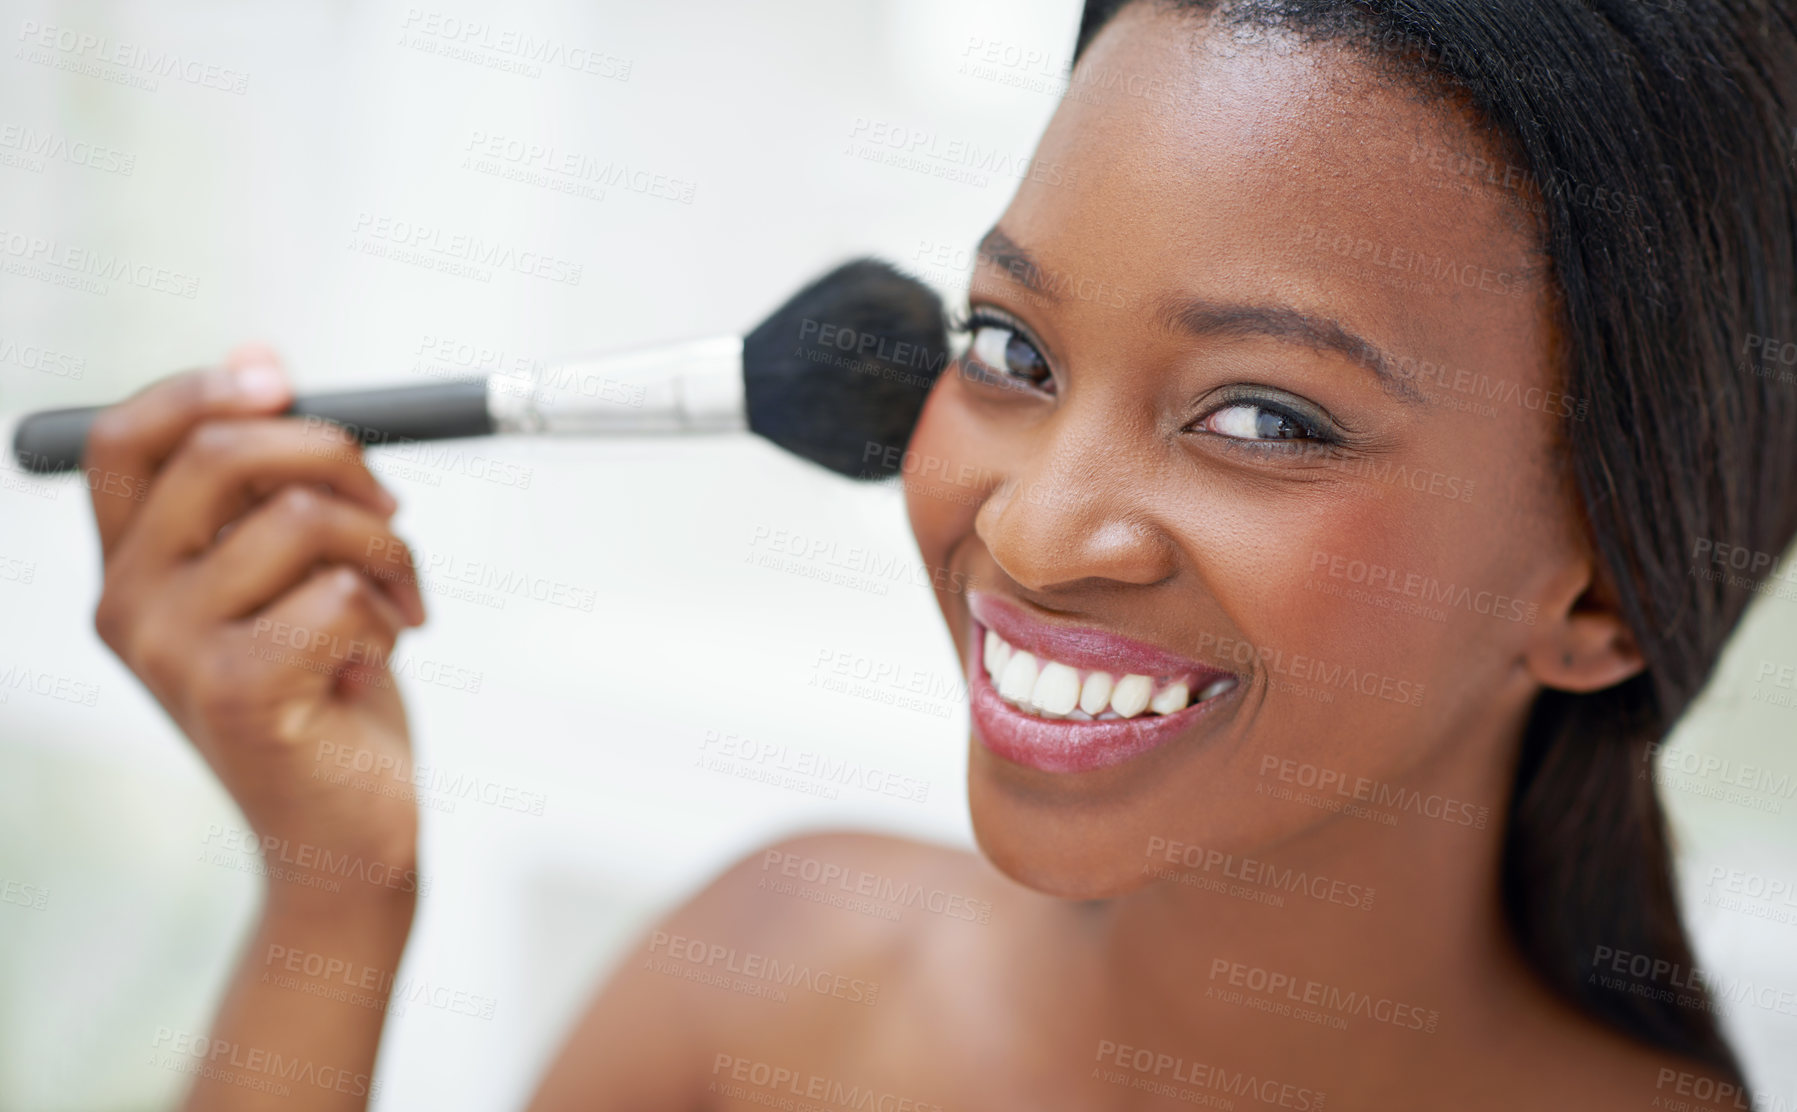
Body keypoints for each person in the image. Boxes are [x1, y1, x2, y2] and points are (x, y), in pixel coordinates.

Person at [85, 0, 1795, 1107]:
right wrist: (332, 893)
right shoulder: (765, 983)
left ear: (1598, 589)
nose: (1033, 530)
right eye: (1012, 352)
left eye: (1264, 419)